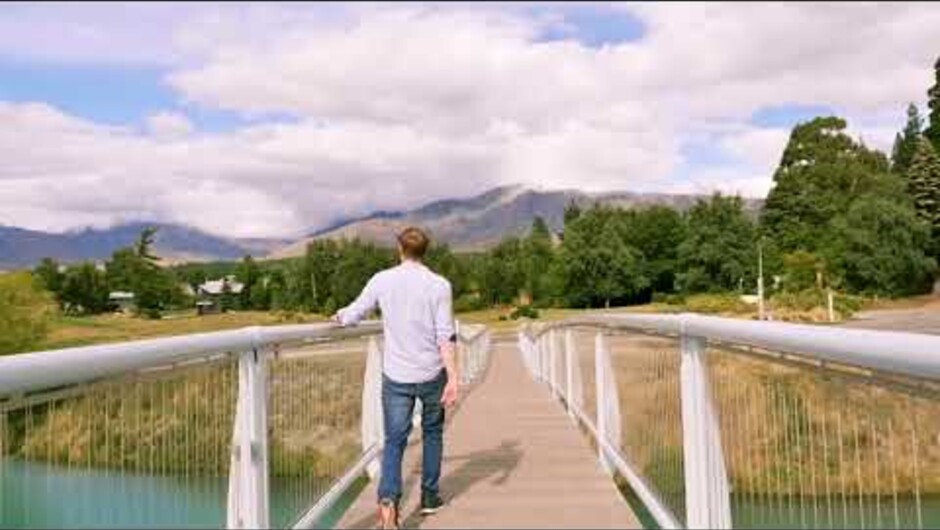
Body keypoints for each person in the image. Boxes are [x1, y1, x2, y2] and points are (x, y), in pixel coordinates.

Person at [332, 226, 458, 530]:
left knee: (394, 441)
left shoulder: (382, 280)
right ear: (425, 251)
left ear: (399, 249)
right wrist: (453, 376)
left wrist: (340, 317)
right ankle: (429, 497)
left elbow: (355, 312)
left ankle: (388, 502)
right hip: (431, 373)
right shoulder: (439, 285)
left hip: (397, 376)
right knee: (432, 433)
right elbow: (445, 335)